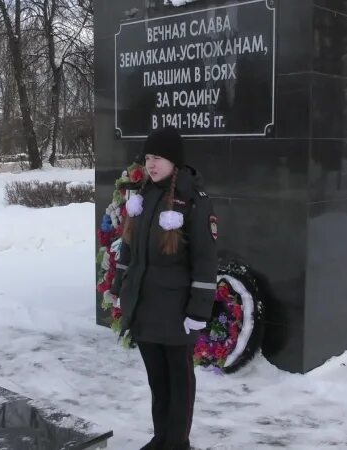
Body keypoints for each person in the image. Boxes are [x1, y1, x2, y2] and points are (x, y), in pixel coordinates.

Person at [109, 126, 218, 450]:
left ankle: (177, 442)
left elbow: (204, 260)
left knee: (179, 382)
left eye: (158, 157)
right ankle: (161, 438)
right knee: (158, 380)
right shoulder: (143, 196)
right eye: (148, 157)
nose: (152, 163)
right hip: (145, 308)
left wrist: (198, 311)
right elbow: (129, 249)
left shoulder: (194, 201)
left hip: (175, 313)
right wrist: (120, 287)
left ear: (174, 161)